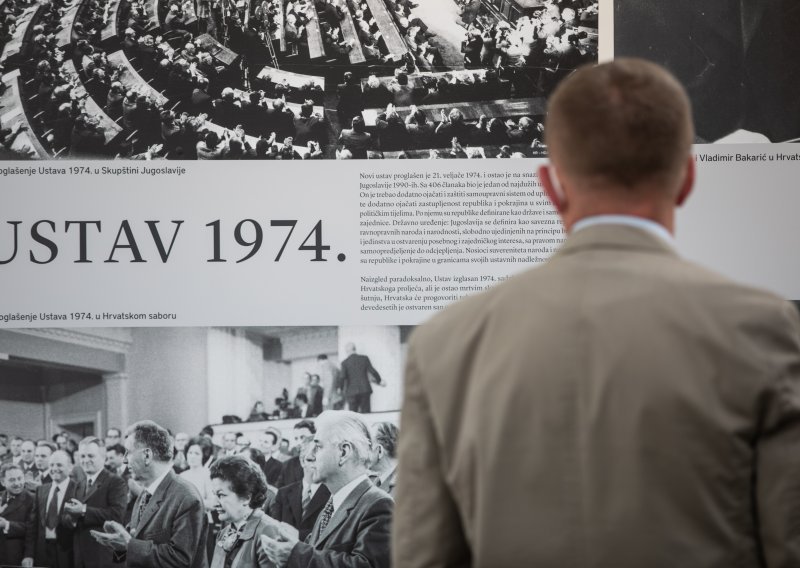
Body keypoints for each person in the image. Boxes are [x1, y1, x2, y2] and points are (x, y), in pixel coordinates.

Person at [392, 58, 800, 567]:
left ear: (550, 185)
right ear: (688, 178)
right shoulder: (764, 327)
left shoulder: (442, 343)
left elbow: (424, 558)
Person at [260, 411, 393, 568]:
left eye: (318, 446)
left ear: (343, 452)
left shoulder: (378, 505)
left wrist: (296, 555)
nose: (309, 455)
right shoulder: (333, 503)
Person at [91, 420, 208, 568]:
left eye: (128, 452)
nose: (125, 461)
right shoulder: (145, 494)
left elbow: (180, 560)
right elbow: (137, 545)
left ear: (147, 455)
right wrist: (119, 545)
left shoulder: (186, 497)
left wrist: (129, 544)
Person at [63, 437, 127, 568]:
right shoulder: (78, 484)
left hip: (104, 554)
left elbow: (117, 515)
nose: (86, 460)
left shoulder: (116, 482)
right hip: (80, 554)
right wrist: (71, 518)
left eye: (91, 455)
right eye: (83, 456)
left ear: (103, 458)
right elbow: (68, 519)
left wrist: (83, 510)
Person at [208, 456, 280, 568]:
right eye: (214, 495)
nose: (215, 502)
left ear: (247, 497)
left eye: (221, 495)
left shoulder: (268, 532)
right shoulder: (223, 534)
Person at [269, 446, 330, 542]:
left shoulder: (331, 494)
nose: (315, 465)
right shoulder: (283, 493)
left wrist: (299, 535)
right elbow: (274, 526)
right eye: (311, 460)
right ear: (302, 461)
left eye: (320, 461)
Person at [28, 450, 76, 568]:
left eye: (59, 465)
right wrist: (28, 554)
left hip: (69, 554)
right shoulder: (41, 490)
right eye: (51, 465)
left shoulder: (79, 489)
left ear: (70, 467)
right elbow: (33, 526)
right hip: (42, 553)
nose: (54, 468)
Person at [0, 462, 35, 566]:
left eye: (20, 478)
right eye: (12, 480)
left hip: (17, 556)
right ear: (2, 482)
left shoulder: (32, 499)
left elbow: (32, 530)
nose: (17, 483)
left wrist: (6, 525)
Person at [339, 343, 384, 413]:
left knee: (353, 415)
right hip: (365, 389)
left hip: (351, 392)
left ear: (347, 351)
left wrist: (340, 389)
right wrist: (379, 380)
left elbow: (342, 377)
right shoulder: (364, 358)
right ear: (354, 349)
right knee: (366, 412)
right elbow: (372, 371)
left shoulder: (344, 363)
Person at [276, 420, 315, 488]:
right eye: (296, 438)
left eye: (303, 437)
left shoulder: (323, 462)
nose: (298, 443)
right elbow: (279, 492)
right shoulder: (288, 465)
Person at [367, 423, 397, 497]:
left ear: (380, 451)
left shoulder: (402, 485)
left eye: (368, 447)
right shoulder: (374, 481)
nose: (364, 453)